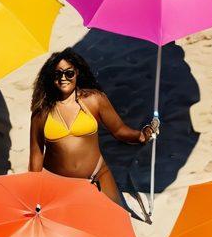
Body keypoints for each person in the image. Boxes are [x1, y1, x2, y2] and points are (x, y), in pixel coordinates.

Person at [29, 49, 156, 211]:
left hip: (97, 175)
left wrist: (140, 136)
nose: (63, 78)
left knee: (116, 220)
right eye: (57, 74)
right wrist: (33, 193)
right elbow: (36, 155)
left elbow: (118, 130)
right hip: (58, 184)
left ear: (77, 73)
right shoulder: (41, 112)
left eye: (69, 73)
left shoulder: (94, 100)